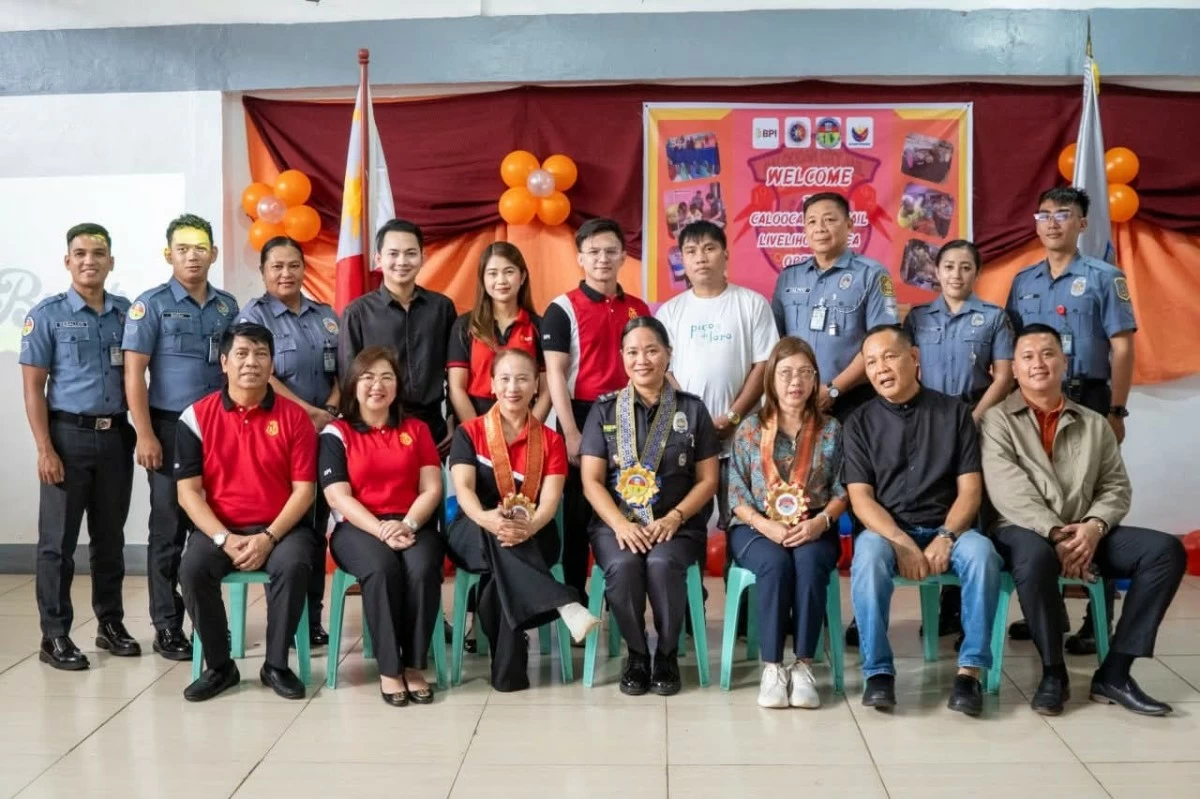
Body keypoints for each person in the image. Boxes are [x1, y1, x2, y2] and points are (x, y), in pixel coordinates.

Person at [981, 324, 1186, 717]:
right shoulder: (997, 422)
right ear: (1013, 370)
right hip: (1021, 530)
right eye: (1027, 357)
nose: (1038, 363)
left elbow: (1115, 487)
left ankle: (1116, 672)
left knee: (1164, 551)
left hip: (1085, 529)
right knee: (1035, 556)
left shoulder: (1094, 423)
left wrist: (1093, 527)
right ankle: (1053, 672)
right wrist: (1058, 534)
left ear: (1064, 361)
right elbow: (1009, 492)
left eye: (1047, 354)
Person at [1004, 187, 1137, 654]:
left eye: (1064, 214)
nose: (1052, 222)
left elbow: (1122, 345)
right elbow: (1016, 351)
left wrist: (1117, 410)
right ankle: (1050, 611)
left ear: (1082, 224)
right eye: (1044, 214)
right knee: (1039, 500)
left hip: (1089, 399)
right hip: (1034, 403)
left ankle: (1096, 617)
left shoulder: (1105, 276)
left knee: (1090, 504)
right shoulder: (1023, 281)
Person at [843, 325, 1001, 716]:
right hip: (886, 532)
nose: (881, 368)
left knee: (982, 554)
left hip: (949, 527)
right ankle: (878, 672)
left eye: (889, 356)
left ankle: (970, 672)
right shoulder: (858, 422)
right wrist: (901, 541)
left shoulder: (954, 413)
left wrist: (947, 535)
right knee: (866, 557)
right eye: (871, 361)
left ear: (914, 358)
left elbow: (970, 491)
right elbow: (860, 499)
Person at [175, 323, 318, 701]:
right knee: (192, 569)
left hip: (282, 528)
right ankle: (221, 666)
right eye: (241, 354)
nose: (251, 363)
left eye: (260, 354)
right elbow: (188, 494)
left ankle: (275, 665)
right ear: (224, 362)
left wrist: (269, 537)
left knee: (294, 565)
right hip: (221, 527)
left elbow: (305, 491)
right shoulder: (195, 417)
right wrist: (224, 538)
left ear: (272, 365)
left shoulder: (295, 417)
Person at [580, 317, 720, 696]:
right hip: (616, 523)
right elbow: (591, 480)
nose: (642, 359)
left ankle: (668, 654)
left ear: (668, 354)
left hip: (677, 523)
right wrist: (620, 525)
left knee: (661, 564)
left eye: (652, 350)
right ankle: (638, 654)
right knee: (624, 566)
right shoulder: (605, 410)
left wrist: (675, 517)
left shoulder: (691, 410)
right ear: (622, 357)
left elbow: (708, 479)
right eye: (632, 352)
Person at [20, 223, 139, 670]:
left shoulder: (128, 314)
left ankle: (110, 624)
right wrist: (44, 448)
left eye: (99, 253)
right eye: (81, 253)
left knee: (109, 538)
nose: (90, 260)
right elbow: (34, 387)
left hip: (116, 437)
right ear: (67, 261)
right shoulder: (47, 314)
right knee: (57, 543)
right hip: (66, 439)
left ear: (112, 261)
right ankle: (55, 635)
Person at [447, 349, 601, 691]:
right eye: (504, 378)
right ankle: (563, 600)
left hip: (534, 532)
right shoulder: (469, 433)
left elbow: (549, 501)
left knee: (498, 579)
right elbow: (465, 492)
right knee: (497, 538)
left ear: (536, 386)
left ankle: (508, 676)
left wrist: (529, 526)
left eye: (522, 378)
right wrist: (489, 520)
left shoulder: (551, 440)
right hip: (473, 529)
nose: (512, 387)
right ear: (491, 385)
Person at [123, 213, 238, 662]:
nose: (193, 256)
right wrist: (145, 434)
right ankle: (167, 625)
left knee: (212, 523)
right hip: (169, 428)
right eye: (183, 248)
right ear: (169, 254)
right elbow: (134, 375)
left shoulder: (228, 306)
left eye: (200, 247)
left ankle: (206, 622)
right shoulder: (149, 305)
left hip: (218, 429)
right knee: (168, 526)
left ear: (214, 253)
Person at [727, 337, 848, 708]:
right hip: (755, 526)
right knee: (776, 564)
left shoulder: (831, 429)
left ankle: (804, 665)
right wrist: (767, 527)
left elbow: (844, 490)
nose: (795, 382)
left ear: (815, 380)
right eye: (785, 373)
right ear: (771, 380)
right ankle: (773, 667)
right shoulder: (750, 429)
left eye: (804, 373)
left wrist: (822, 521)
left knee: (810, 562)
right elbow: (735, 495)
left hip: (814, 523)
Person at [320, 346, 445, 705]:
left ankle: (414, 665)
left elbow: (432, 488)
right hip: (358, 529)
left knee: (422, 568)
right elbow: (337, 497)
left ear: (397, 386)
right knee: (381, 567)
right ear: (353, 385)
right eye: (368, 377)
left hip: (412, 523)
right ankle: (390, 669)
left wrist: (406, 523)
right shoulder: (336, 433)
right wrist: (380, 529)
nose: (378, 385)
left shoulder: (417, 429)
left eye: (387, 377)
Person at [904, 239, 1014, 643]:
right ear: (936, 271)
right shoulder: (917, 318)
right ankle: (942, 606)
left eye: (965, 267)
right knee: (935, 500)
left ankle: (970, 607)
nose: (956, 274)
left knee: (974, 507)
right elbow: (906, 369)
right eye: (949, 266)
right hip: (928, 421)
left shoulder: (993, 318)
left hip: (975, 418)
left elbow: (1003, 375)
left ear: (976, 273)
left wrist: (975, 417)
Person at [237, 235, 340, 647]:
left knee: (315, 530)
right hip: (277, 434)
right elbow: (259, 373)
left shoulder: (325, 315)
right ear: (263, 272)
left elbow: (343, 370)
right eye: (276, 266)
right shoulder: (253, 317)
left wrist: (329, 411)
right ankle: (287, 616)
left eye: (294, 265)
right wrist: (307, 413)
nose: (286, 273)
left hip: (324, 431)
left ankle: (311, 620)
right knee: (285, 523)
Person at [543, 218, 651, 605]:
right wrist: (570, 432)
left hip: (629, 417)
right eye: (593, 252)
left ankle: (620, 597)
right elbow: (554, 373)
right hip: (580, 414)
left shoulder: (638, 308)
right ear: (580, 258)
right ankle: (574, 600)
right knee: (576, 516)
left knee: (629, 503)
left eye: (610, 251)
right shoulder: (562, 308)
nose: (602, 259)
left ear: (623, 256)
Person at [655, 220, 778, 532]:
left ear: (725, 254)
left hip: (742, 437)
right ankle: (692, 582)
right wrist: (695, 418)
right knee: (686, 523)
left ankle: (738, 581)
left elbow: (763, 365)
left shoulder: (752, 304)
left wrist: (733, 417)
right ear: (682, 259)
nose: (701, 258)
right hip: (687, 437)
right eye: (691, 251)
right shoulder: (670, 312)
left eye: (709, 249)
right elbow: (663, 371)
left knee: (742, 521)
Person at [770, 192, 899, 422]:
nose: (820, 228)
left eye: (829, 220)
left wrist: (834, 388)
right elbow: (776, 340)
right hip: (797, 402)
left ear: (849, 225)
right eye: (812, 221)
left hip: (854, 401)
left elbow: (881, 343)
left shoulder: (871, 274)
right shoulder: (789, 278)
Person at [338, 219, 457, 453]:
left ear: (422, 257)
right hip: (379, 426)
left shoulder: (442, 308)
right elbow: (348, 378)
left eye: (410, 253)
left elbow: (455, 371)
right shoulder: (358, 312)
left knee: (434, 488)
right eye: (393, 254)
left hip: (433, 427)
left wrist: (454, 419)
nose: (402, 261)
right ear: (378, 258)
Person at [448, 241, 550, 423]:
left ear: (523, 276)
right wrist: (477, 432)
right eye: (493, 273)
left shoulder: (539, 326)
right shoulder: (465, 326)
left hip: (523, 421)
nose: (501, 281)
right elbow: (456, 387)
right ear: (483, 279)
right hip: (475, 420)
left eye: (509, 272)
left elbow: (547, 390)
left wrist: (528, 431)